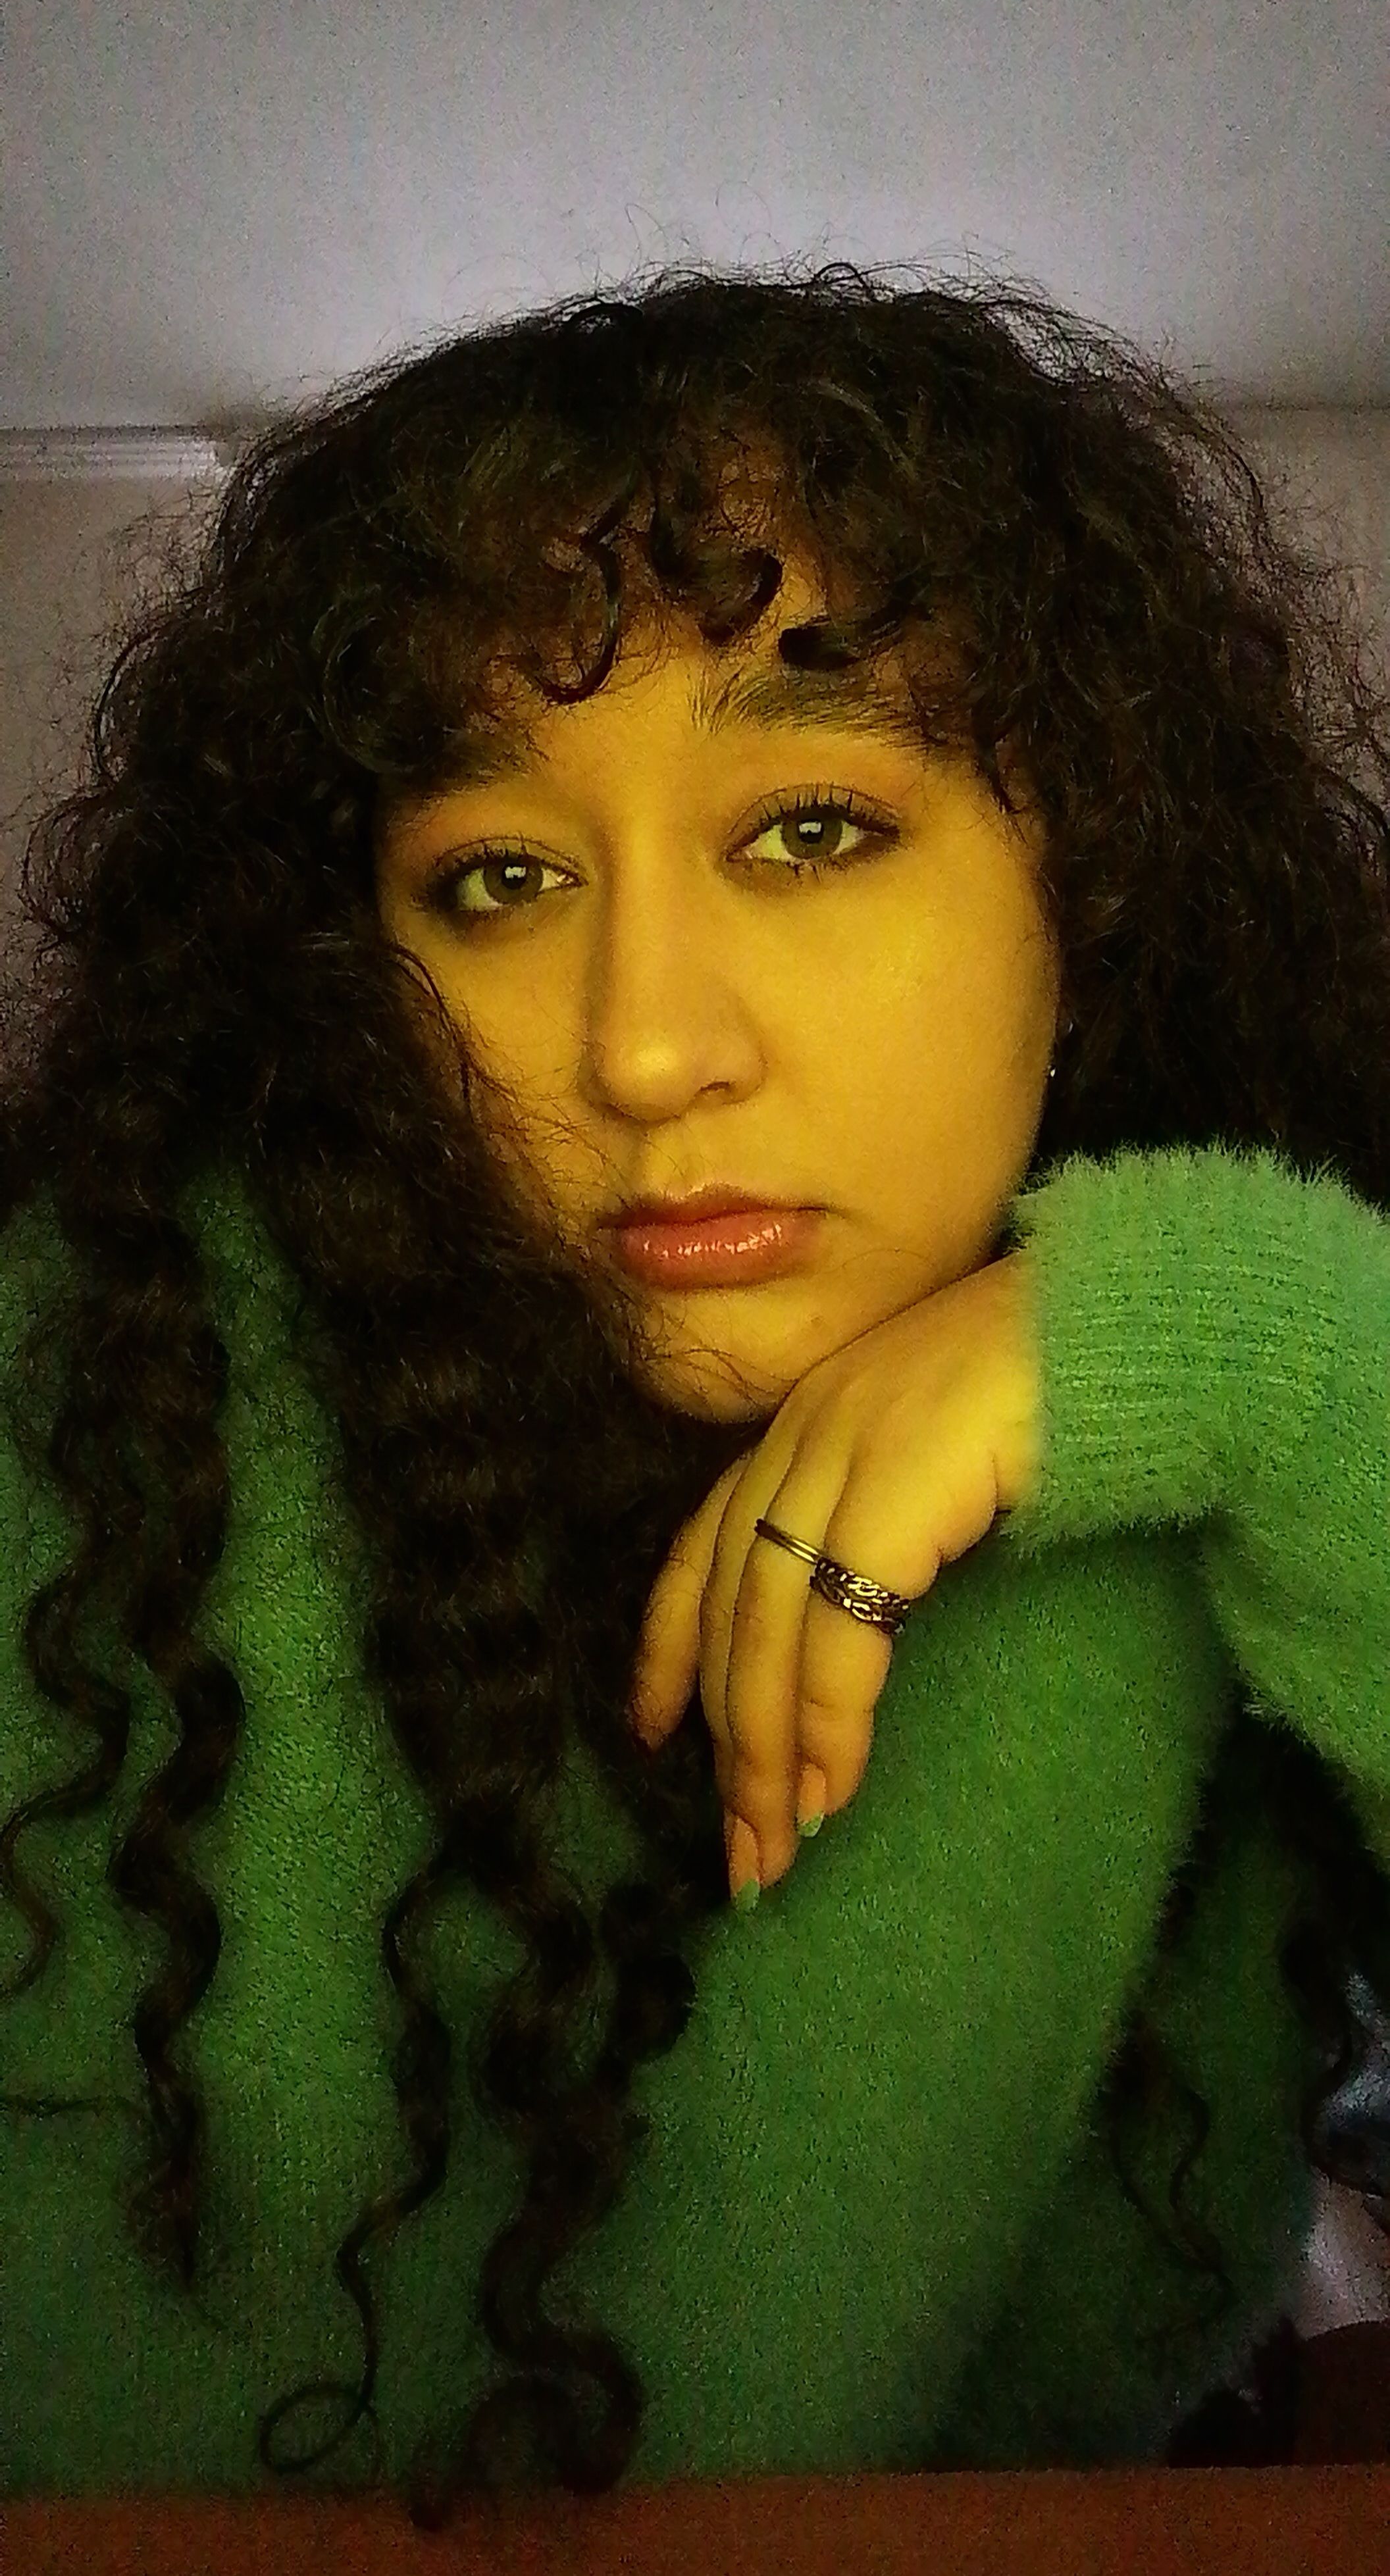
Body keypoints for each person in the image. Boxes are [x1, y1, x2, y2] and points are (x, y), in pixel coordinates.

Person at [1, 258, 1387, 2525]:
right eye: (500, 878)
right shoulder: (118, 1414)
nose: (646, 1047)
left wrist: (1242, 1349)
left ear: (1102, 878)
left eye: (810, 830)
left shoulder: (1209, 1401)